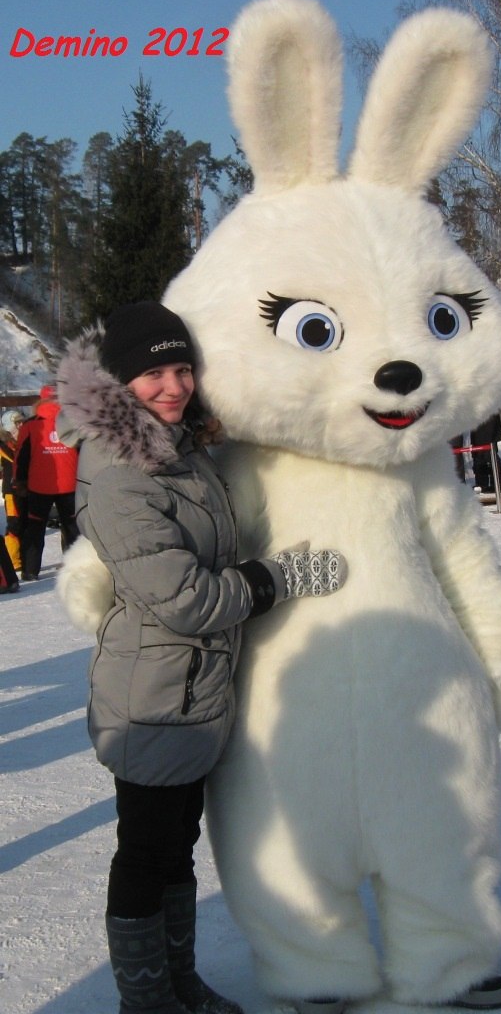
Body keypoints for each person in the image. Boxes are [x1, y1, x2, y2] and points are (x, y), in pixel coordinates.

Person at [55, 301, 347, 1014]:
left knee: (176, 849)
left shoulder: (179, 450)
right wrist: (276, 580)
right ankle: (145, 999)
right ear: (122, 383)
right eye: (154, 372)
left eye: (182, 368)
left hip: (195, 689)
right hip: (152, 697)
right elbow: (181, 598)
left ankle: (179, 980)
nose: (174, 384)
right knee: (145, 853)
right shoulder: (121, 473)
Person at [13, 385, 79, 580]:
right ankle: (73, 567)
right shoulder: (74, 422)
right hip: (70, 484)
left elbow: (21, 456)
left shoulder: (31, 425)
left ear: (40, 401)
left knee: (35, 527)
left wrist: (20, 480)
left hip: (39, 485)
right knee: (72, 527)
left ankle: (30, 570)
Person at [0, 408, 25, 571]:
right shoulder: (3, 446)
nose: (21, 425)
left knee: (26, 523)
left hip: (26, 488)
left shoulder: (25, 441)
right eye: (18, 423)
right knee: (14, 524)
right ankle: (13, 561)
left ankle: (24, 558)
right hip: (11, 491)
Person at [470, 413, 501, 494]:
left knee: (491, 458)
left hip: (489, 432)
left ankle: (497, 484)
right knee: (479, 458)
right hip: (478, 430)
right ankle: (482, 484)